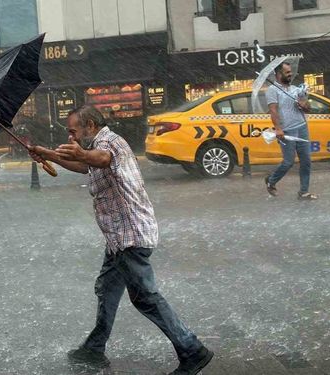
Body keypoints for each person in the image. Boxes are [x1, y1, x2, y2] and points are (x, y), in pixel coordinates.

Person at [28, 106, 213, 375]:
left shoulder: (108, 142)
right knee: (107, 287)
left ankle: (192, 350)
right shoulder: (96, 145)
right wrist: (49, 155)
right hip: (119, 237)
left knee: (145, 297)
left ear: (90, 125)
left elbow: (101, 159)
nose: (72, 137)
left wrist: (80, 153)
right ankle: (95, 347)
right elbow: (86, 166)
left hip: (131, 236)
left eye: (73, 131)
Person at [265, 62, 318, 200]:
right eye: (287, 72)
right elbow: (273, 110)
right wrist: (278, 128)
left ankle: (304, 191)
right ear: (278, 74)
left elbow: (308, 108)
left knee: (306, 161)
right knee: (288, 162)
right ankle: (271, 180)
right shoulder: (272, 90)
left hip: (302, 127)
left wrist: (303, 104)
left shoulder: (295, 89)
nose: (290, 74)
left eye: (290, 72)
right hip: (287, 131)